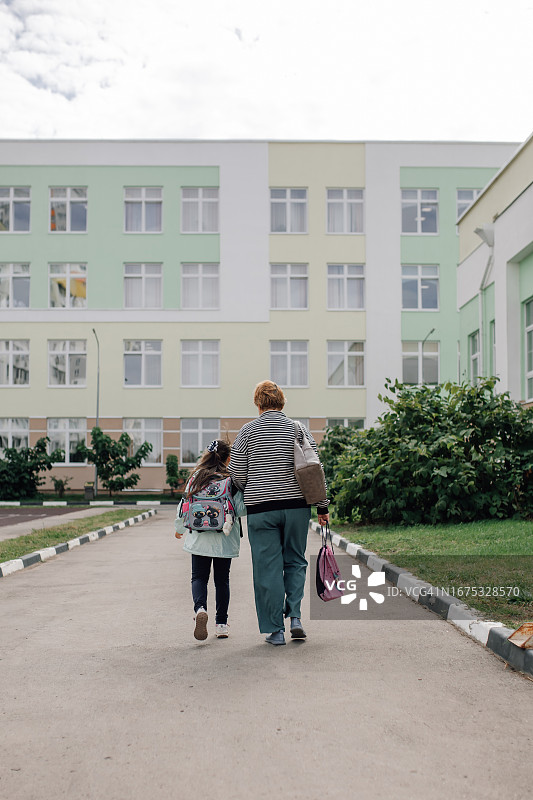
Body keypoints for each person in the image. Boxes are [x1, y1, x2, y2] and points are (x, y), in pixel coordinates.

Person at [229, 380, 329, 646]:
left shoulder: (248, 431)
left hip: (262, 510)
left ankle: (276, 631)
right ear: (282, 402)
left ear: (258, 404)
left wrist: (249, 486)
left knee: (267, 569)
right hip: (297, 507)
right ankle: (295, 617)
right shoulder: (298, 429)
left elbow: (237, 473)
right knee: (295, 561)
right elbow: (314, 467)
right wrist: (322, 506)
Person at [175, 439, 246, 641]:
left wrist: (179, 527)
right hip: (224, 536)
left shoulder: (196, 477)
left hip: (199, 538)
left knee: (199, 577)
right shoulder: (230, 478)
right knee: (222, 580)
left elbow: (184, 505)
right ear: (227, 458)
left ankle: (200, 609)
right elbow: (240, 508)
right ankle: (221, 624)